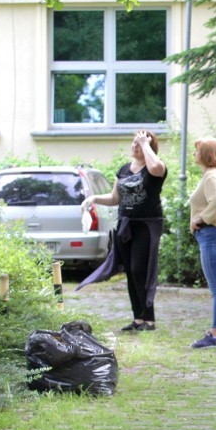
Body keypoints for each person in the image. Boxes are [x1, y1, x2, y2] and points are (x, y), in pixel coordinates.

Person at [77, 130, 167, 332]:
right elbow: (114, 198)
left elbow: (156, 167)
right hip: (126, 224)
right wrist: (93, 199)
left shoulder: (155, 167)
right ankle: (137, 318)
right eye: (134, 142)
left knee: (140, 269)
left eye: (139, 143)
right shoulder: (124, 169)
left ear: (148, 147)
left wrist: (146, 144)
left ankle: (149, 320)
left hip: (146, 225)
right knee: (130, 271)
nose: (135, 145)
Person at [189, 137, 216, 348]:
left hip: (212, 234)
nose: (194, 154)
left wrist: (200, 218)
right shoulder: (213, 175)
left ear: (204, 154)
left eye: (196, 151)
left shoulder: (211, 177)